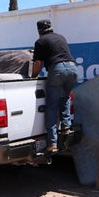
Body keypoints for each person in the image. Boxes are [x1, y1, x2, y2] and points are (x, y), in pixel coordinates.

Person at [32, 19, 78, 152]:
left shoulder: (40, 41)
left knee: (52, 106)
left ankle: (51, 143)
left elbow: (38, 65)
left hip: (58, 70)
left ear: (39, 32)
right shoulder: (60, 37)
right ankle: (65, 128)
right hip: (73, 69)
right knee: (65, 98)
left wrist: (31, 78)